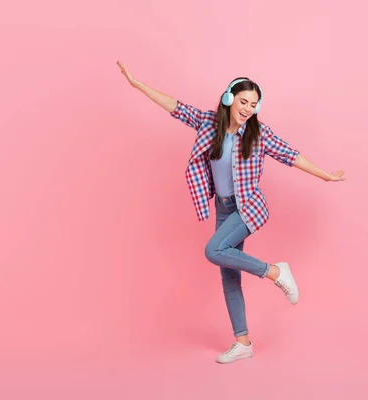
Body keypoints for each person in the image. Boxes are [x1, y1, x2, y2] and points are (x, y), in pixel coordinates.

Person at [116, 61, 345, 364]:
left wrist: (325, 174)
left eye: (253, 104)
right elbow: (175, 106)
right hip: (222, 208)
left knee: (214, 250)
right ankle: (243, 342)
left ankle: (276, 271)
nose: (248, 108)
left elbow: (292, 155)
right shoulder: (209, 123)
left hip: (247, 207)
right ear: (229, 99)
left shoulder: (259, 134)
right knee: (229, 279)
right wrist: (138, 85)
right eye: (243, 101)